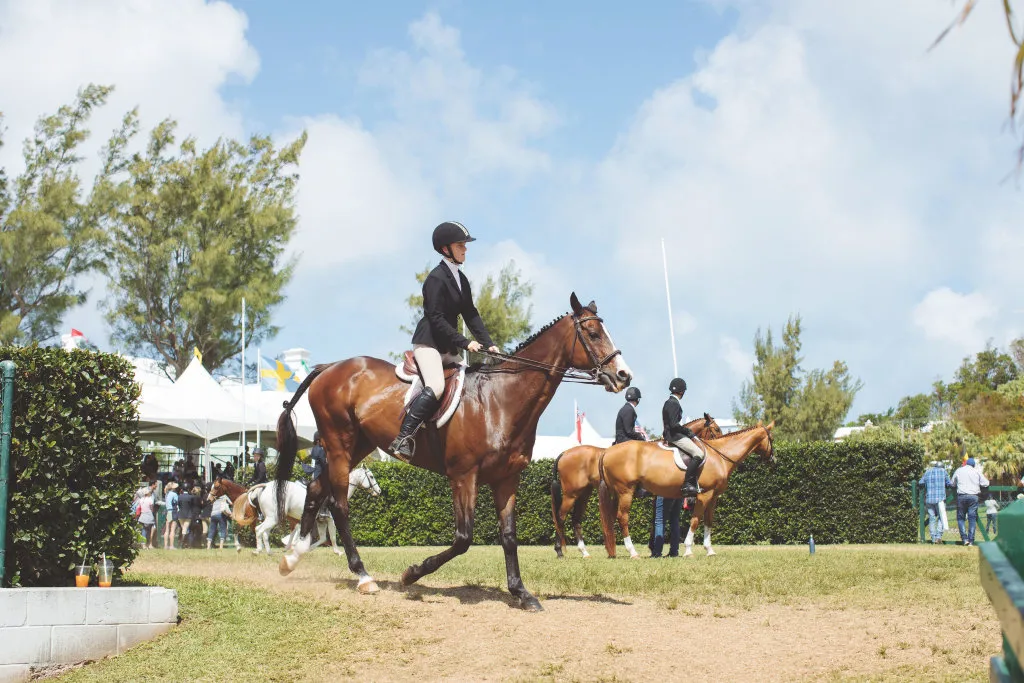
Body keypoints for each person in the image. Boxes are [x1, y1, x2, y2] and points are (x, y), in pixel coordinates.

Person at [388, 221, 500, 461]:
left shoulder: (461, 279)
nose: (465, 250)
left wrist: (488, 343)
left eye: (465, 246)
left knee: (471, 384)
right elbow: (436, 318)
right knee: (437, 386)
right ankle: (404, 438)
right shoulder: (436, 279)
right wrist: (464, 342)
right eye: (461, 245)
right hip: (429, 343)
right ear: (445, 249)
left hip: (447, 346)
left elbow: (471, 313)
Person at [662, 377, 705, 496]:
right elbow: (674, 425)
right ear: (682, 392)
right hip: (674, 436)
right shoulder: (673, 403)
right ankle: (687, 483)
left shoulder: (669, 402)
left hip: (672, 434)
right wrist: (689, 433)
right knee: (699, 454)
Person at [951, 457, 989, 546]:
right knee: (972, 519)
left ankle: (964, 539)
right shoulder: (976, 471)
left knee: (961, 518)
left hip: (962, 496)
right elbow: (986, 483)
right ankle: (971, 540)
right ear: (973, 465)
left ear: (966, 463)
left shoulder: (959, 470)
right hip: (973, 496)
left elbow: (952, 483)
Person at [918, 462, 953, 544]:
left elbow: (921, 482)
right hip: (940, 499)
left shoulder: (928, 471)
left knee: (932, 518)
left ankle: (933, 538)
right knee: (941, 517)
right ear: (942, 467)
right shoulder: (943, 471)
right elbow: (949, 484)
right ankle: (938, 536)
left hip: (929, 499)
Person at [162, 482, 180, 550]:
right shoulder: (174, 494)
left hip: (168, 512)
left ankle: (165, 546)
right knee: (172, 530)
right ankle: (171, 546)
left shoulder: (167, 494)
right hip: (173, 511)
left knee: (167, 530)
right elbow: (177, 502)